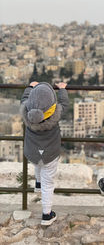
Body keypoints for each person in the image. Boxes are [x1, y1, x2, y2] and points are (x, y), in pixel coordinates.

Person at [20, 81, 68, 226]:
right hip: (50, 153)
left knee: (37, 163)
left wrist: (30, 87)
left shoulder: (25, 112)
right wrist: (62, 89)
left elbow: (23, 100)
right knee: (49, 183)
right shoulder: (57, 113)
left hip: (32, 151)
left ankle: (38, 184)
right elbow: (65, 104)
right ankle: (47, 214)